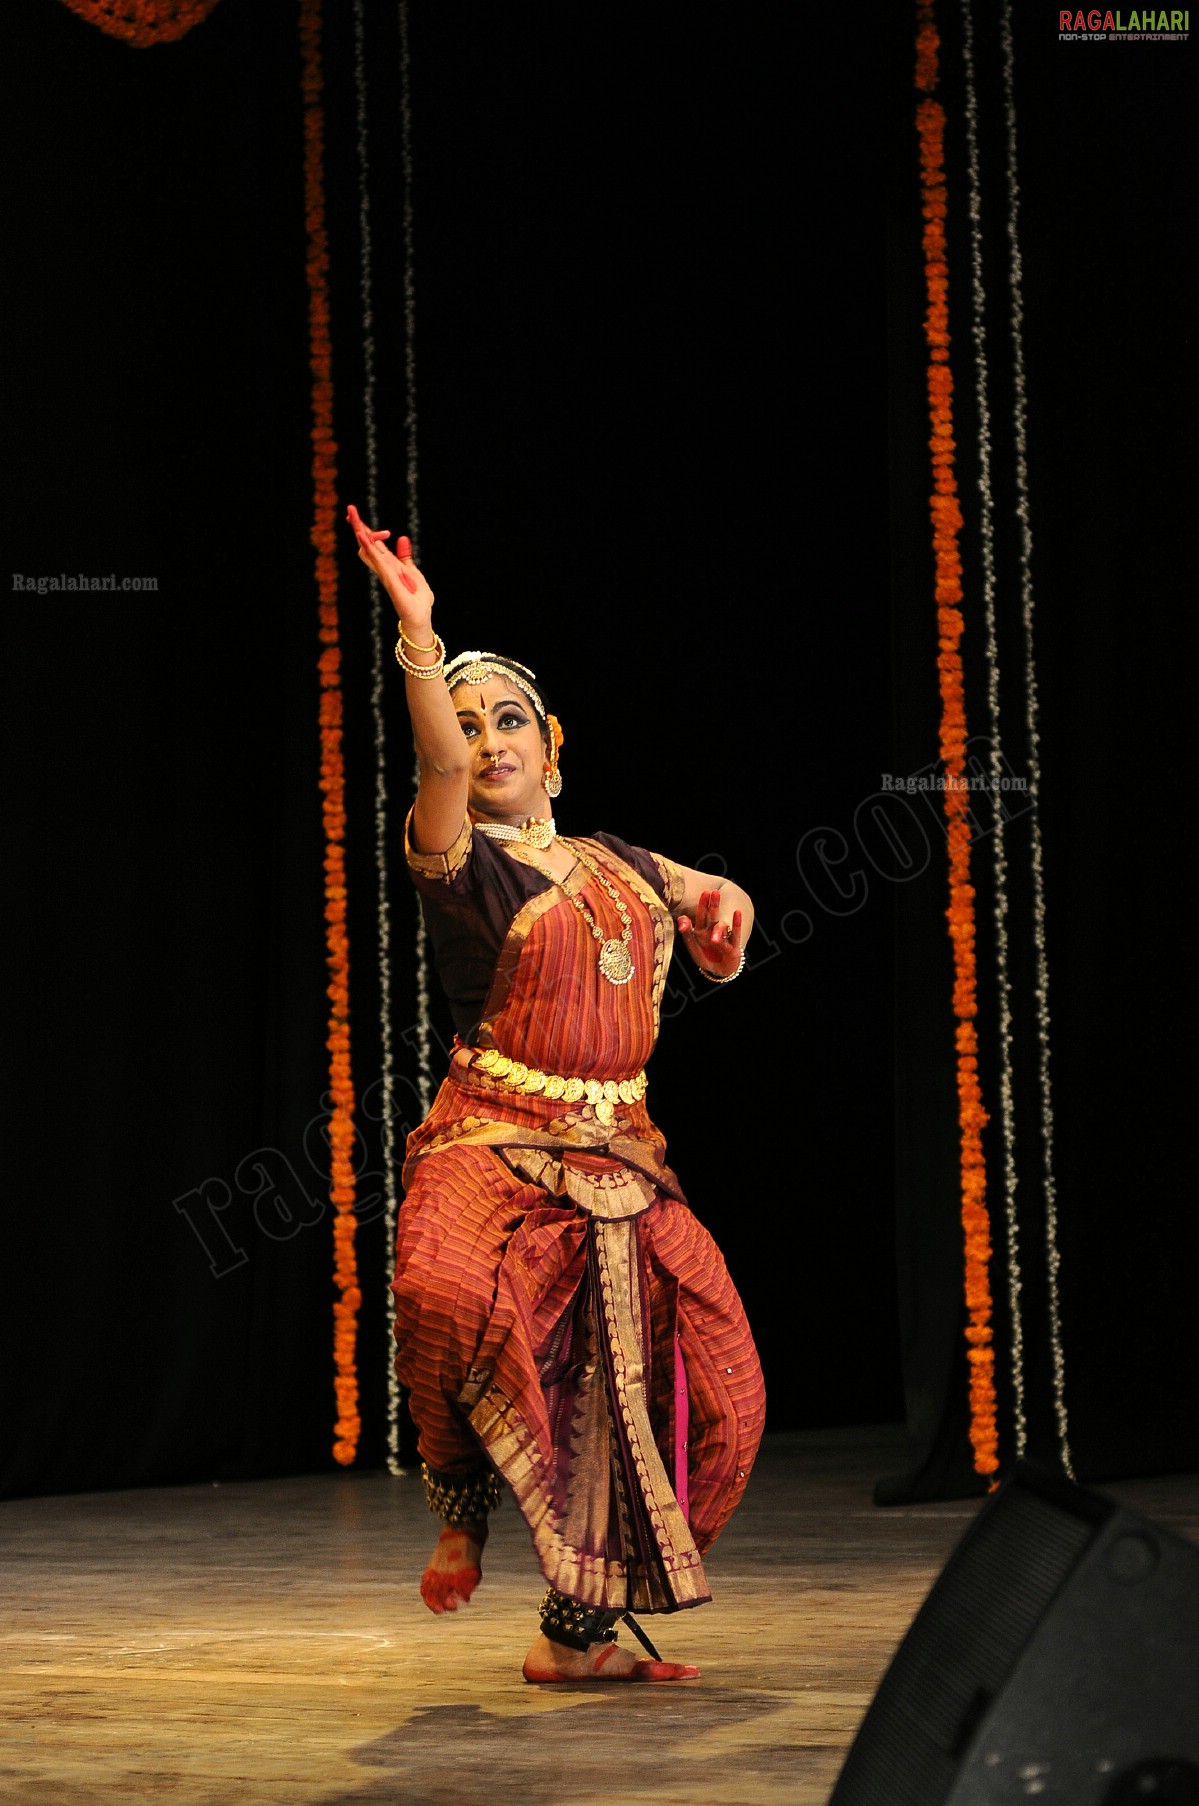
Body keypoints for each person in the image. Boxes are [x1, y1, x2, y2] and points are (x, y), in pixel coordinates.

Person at [347, 506, 766, 1683]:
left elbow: (704, 897)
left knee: (715, 1386)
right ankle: (459, 1506)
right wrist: (420, 638)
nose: (485, 741)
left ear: (553, 743)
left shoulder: (617, 859)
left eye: (507, 721)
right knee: (437, 1292)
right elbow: (431, 762)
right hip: (488, 1141)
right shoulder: (452, 856)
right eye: (469, 725)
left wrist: (721, 901)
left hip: (620, 1161)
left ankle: (575, 1636)